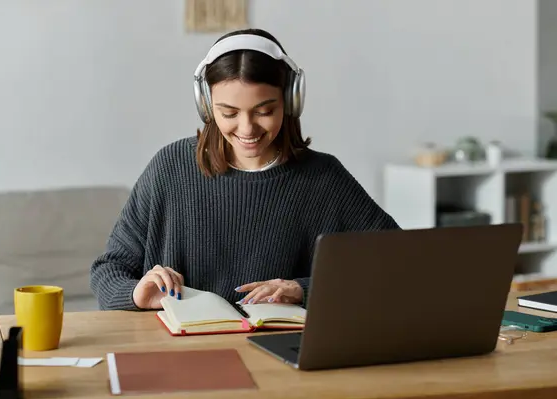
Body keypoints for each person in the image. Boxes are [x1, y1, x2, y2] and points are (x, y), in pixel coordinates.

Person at [90, 28, 399, 311]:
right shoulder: (170, 168)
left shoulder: (323, 178)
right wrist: (136, 293)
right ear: (207, 106)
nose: (247, 128)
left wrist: (303, 288)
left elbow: (397, 261)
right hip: (179, 351)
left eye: (264, 111)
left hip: (281, 355)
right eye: (229, 113)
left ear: (291, 101)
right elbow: (109, 270)